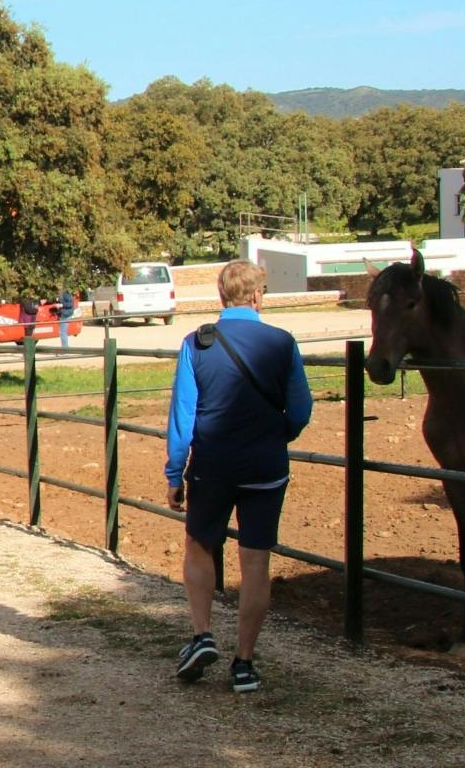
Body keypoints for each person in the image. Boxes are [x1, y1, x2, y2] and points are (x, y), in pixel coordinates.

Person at [166, 260, 313, 695]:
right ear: (257, 296)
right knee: (255, 562)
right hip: (265, 467)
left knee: (199, 544)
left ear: (221, 297)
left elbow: (183, 415)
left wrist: (175, 471)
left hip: (213, 464)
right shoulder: (282, 343)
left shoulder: (197, 344)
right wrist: (276, 435)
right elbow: (301, 409)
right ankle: (244, 663)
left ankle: (202, 634)